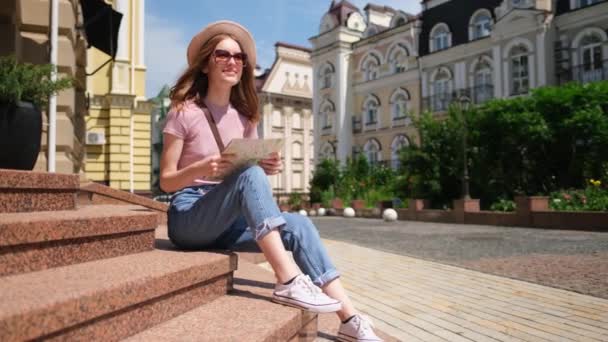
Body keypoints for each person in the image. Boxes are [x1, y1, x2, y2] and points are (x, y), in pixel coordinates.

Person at [160, 20, 382, 342]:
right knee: (247, 174)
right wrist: (201, 168)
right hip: (190, 216)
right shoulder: (184, 112)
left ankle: (349, 319)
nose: (232, 61)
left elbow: (245, 177)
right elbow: (166, 182)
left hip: (227, 222)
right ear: (207, 63)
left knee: (299, 225)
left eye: (239, 57)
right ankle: (289, 281)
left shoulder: (246, 117)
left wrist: (265, 164)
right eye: (223, 54)